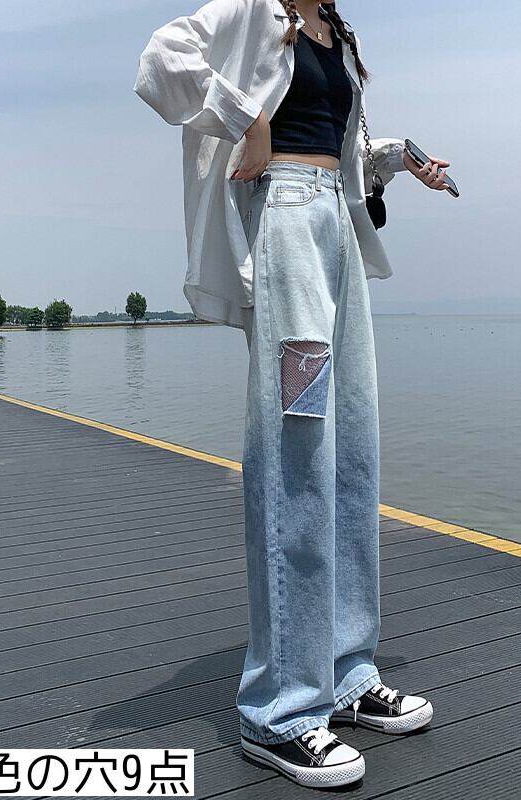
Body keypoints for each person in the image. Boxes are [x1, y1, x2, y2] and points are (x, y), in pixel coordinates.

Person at [135, 0, 451, 788]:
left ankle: (345, 673)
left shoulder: (335, 33)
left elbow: (338, 148)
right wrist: (248, 120)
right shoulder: (252, 10)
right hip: (284, 223)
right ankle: (278, 710)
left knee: (353, 454)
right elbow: (160, 63)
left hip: (337, 230)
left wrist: (397, 158)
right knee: (298, 453)